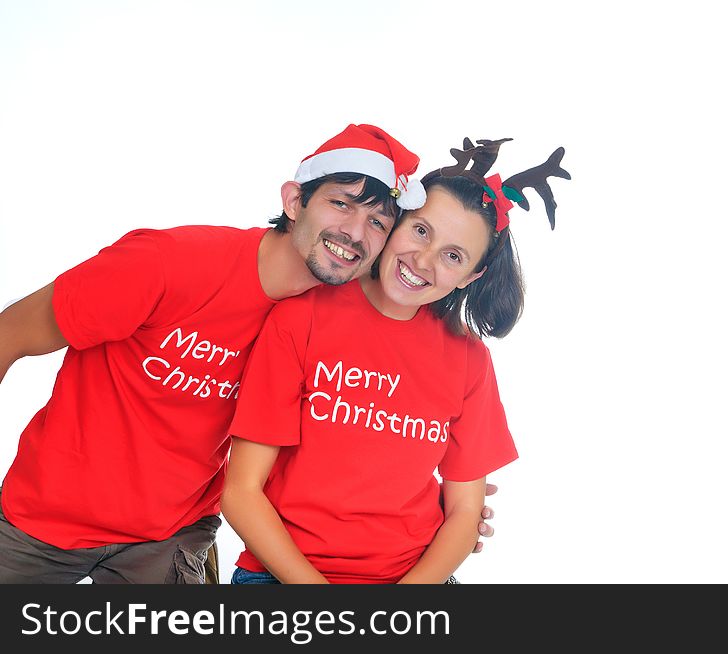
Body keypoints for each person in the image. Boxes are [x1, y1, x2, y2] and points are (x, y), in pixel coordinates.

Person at [0, 124, 496, 584]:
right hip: (42, 521)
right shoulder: (167, 265)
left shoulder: (332, 319)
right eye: (342, 205)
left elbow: (375, 416)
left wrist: (446, 511)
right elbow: (9, 335)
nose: (354, 233)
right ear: (294, 200)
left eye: (378, 222)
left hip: (172, 536)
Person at [221, 138, 569, 583]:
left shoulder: (468, 358)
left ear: (472, 276)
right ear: (397, 221)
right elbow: (241, 492)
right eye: (421, 231)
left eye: (453, 255)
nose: (423, 261)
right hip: (283, 576)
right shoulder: (300, 319)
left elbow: (465, 511)